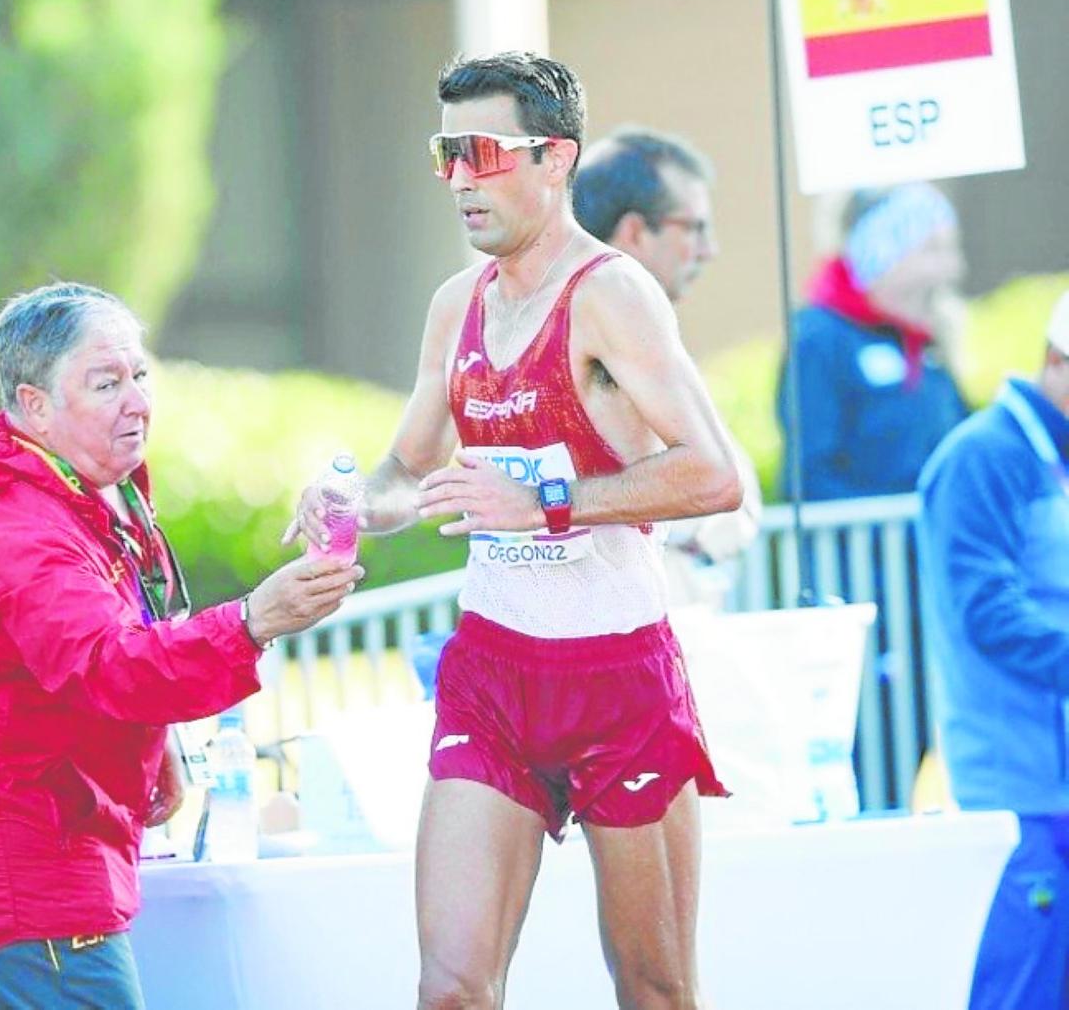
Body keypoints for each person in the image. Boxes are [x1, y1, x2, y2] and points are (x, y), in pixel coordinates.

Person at [288, 52, 741, 1010]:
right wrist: (350, 503)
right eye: (444, 154)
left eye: (483, 154)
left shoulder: (612, 294)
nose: (460, 179)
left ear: (555, 159)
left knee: (655, 989)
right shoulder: (456, 304)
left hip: (618, 676)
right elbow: (408, 471)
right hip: (494, 674)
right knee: (451, 988)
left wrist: (549, 500)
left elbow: (714, 474)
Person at [0, 282, 362, 1009]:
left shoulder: (73, 475)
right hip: (5, 868)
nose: (137, 402)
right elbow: (108, 666)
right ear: (35, 405)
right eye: (106, 384)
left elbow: (95, 642)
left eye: (139, 374)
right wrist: (253, 620)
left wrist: (153, 743)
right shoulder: (16, 525)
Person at [917, 290, 1069, 1010]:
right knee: (1020, 990)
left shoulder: (1046, 456)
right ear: (1057, 362)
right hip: (1017, 794)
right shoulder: (985, 458)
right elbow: (989, 615)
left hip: (1051, 791)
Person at [574, 128, 762, 608]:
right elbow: (722, 499)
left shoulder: (629, 329)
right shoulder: (605, 337)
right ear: (636, 232)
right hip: (629, 626)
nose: (708, 249)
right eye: (694, 227)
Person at [778, 182, 968, 500]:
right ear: (883, 251)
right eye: (933, 248)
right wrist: (895, 520)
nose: (953, 267)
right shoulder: (821, 338)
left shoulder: (924, 341)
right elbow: (809, 475)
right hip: (866, 532)